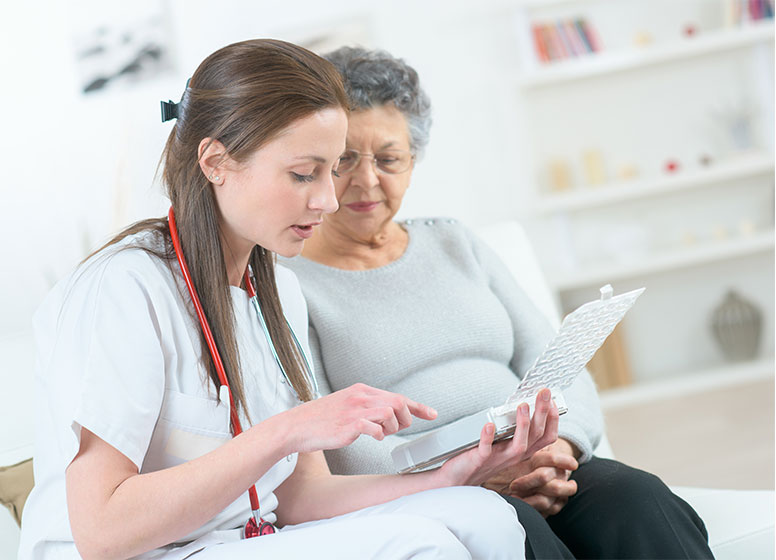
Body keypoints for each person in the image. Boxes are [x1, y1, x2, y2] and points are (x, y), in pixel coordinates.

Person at [17, 39, 563, 560]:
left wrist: (450, 476)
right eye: (304, 174)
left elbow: (301, 498)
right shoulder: (124, 288)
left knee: (487, 515)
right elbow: (102, 532)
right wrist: (288, 430)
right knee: (424, 547)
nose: (328, 200)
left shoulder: (277, 291)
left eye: (331, 170)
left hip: (247, 540)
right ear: (215, 162)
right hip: (148, 553)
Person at [283, 46, 714, 560]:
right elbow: (333, 442)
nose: (367, 180)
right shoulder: (290, 283)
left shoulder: (455, 241)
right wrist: (466, 473)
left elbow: (561, 363)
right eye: (345, 160)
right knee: (515, 530)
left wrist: (557, 449)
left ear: (413, 161)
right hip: (434, 490)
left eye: (389, 159)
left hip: (536, 456)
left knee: (640, 500)